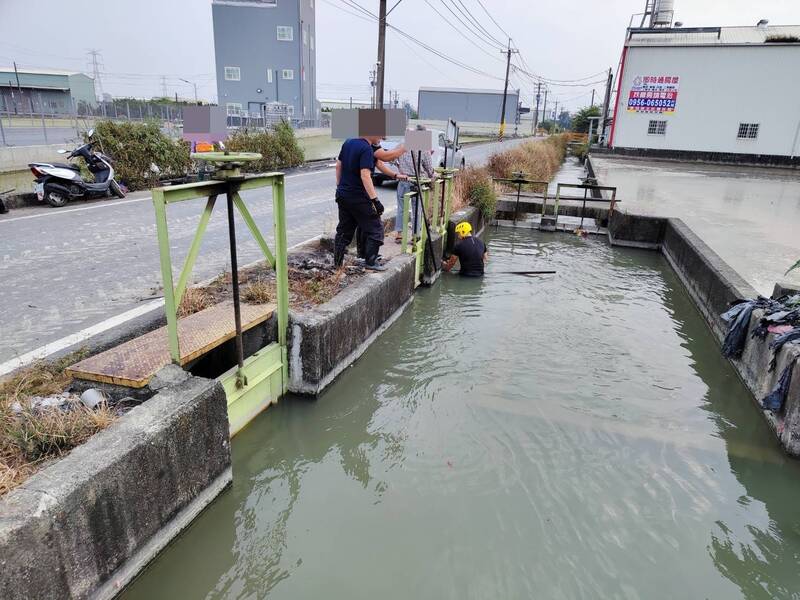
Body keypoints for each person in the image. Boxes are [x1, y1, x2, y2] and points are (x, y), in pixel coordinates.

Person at [334, 136, 404, 270]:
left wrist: (340, 188)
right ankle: (371, 262)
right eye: (380, 133)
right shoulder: (366, 148)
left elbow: (338, 166)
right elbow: (365, 175)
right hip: (358, 196)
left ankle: (337, 265)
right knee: (376, 228)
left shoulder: (348, 142)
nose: (382, 137)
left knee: (344, 231)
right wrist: (375, 201)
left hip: (343, 195)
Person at [394, 127, 435, 243]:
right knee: (417, 209)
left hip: (403, 180)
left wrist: (399, 167)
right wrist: (433, 176)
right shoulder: (423, 147)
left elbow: (391, 158)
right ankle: (415, 235)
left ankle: (400, 234)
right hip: (418, 181)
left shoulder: (401, 145)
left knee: (401, 208)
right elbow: (429, 168)